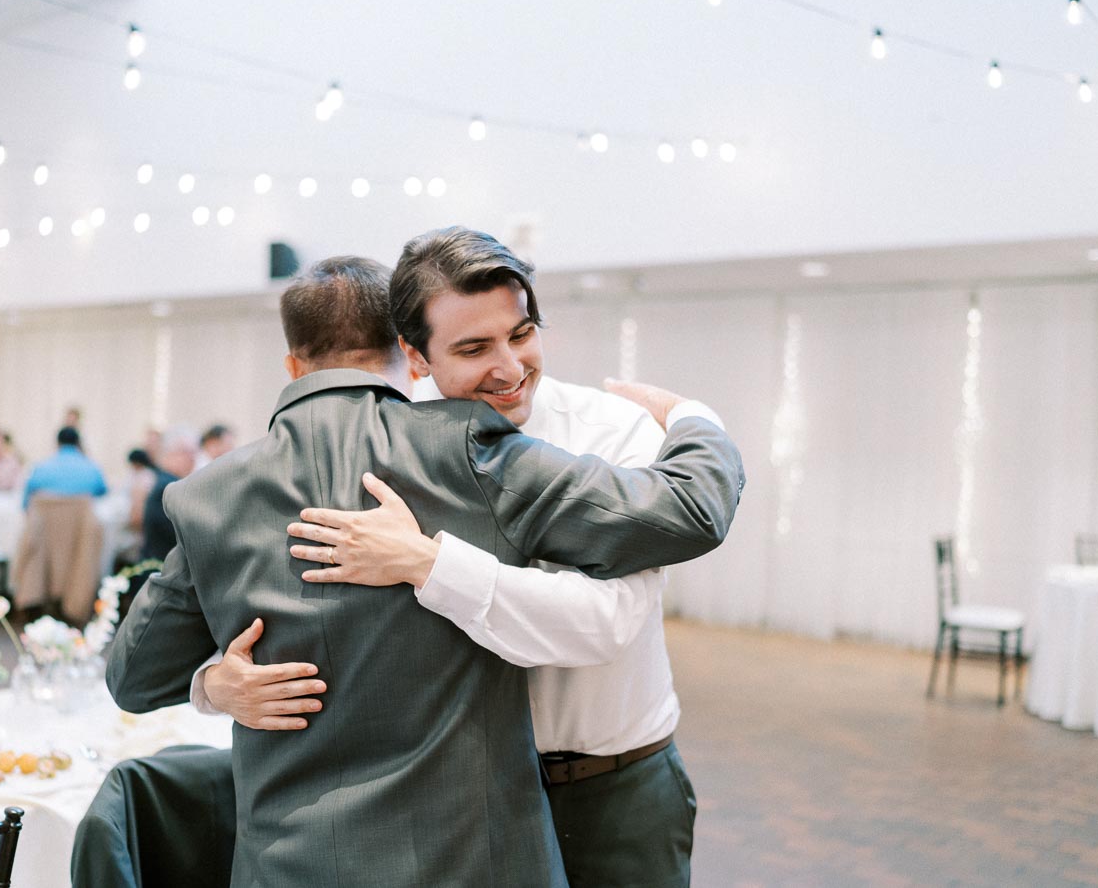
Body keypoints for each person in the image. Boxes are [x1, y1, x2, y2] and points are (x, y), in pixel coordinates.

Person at [107, 256, 744, 886]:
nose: (508, 366)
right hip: (466, 854)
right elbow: (684, 511)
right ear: (409, 353)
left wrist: (211, 683)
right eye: (474, 347)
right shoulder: (461, 444)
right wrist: (694, 418)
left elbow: (134, 677)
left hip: (288, 860)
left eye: (520, 334)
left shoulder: (209, 493)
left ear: (293, 366)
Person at [139, 429, 198, 561]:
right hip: (160, 568)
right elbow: (184, 535)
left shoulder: (166, 482)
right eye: (186, 453)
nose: (192, 459)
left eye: (194, 453)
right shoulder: (169, 487)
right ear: (169, 453)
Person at [22, 427, 107, 509]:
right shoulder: (93, 469)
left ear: (58, 443)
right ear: (78, 443)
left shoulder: (40, 469)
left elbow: (26, 504)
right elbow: (104, 497)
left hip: (49, 522)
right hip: (82, 523)